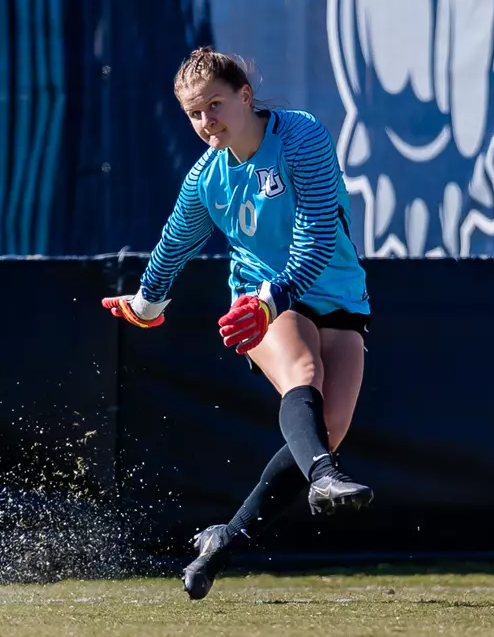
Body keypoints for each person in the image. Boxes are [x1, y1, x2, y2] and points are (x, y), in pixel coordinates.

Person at [101, 47, 373, 600]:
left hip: (333, 291)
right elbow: (175, 243)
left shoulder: (300, 136)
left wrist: (274, 298)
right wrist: (147, 303)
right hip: (261, 297)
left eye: (215, 105)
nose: (206, 121)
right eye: (194, 113)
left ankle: (222, 541)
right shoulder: (207, 177)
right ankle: (325, 477)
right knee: (305, 372)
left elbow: (319, 232)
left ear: (245, 96)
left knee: (328, 430)